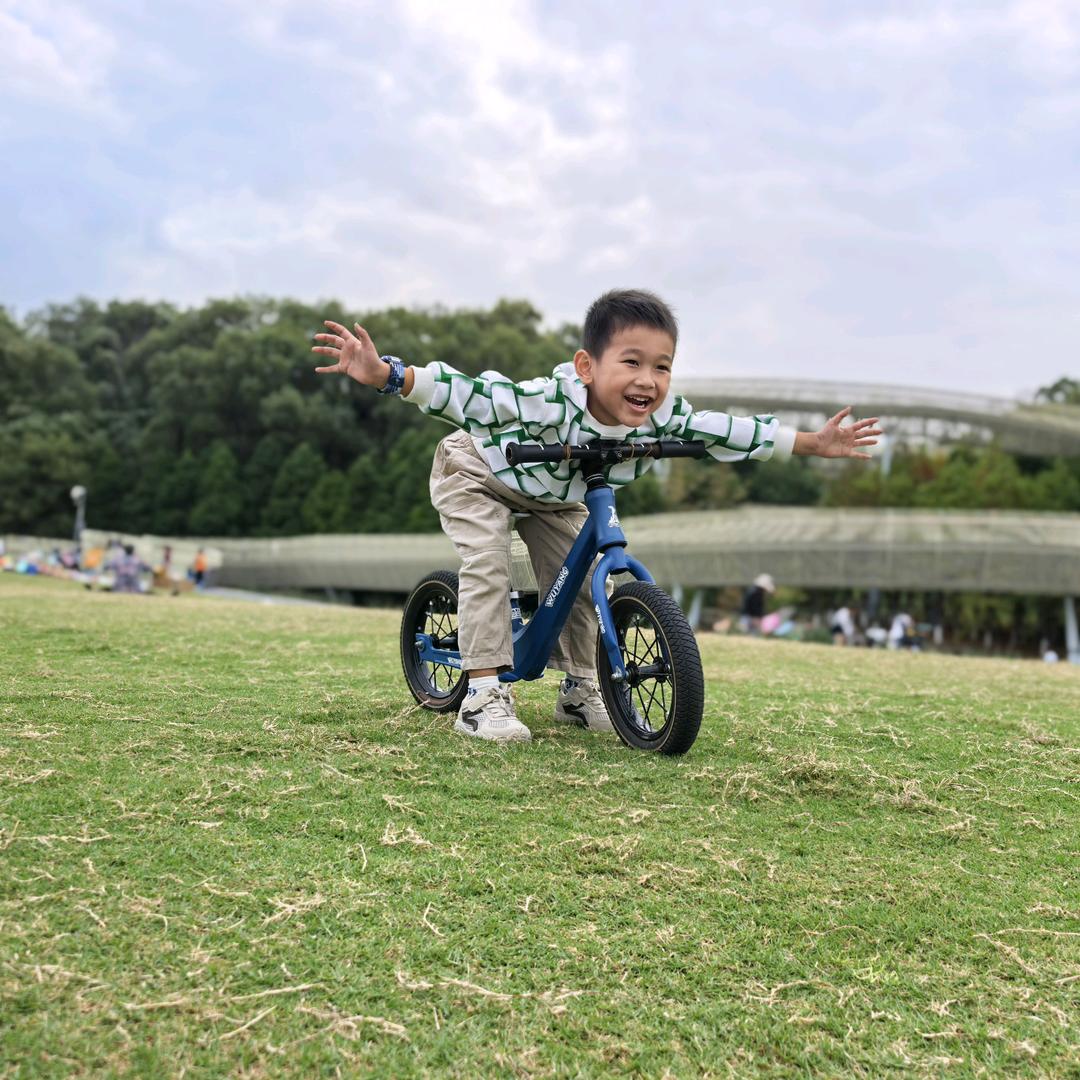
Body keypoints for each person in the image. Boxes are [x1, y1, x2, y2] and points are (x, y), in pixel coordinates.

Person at [312, 289, 882, 743]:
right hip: (479, 472)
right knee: (488, 563)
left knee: (585, 579)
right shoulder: (550, 401)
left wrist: (812, 442)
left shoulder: (659, 419)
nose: (647, 380)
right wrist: (389, 374)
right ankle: (481, 694)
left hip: (554, 493)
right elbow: (476, 396)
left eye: (662, 367)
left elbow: (723, 429)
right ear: (587, 365)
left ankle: (582, 688)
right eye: (630, 362)